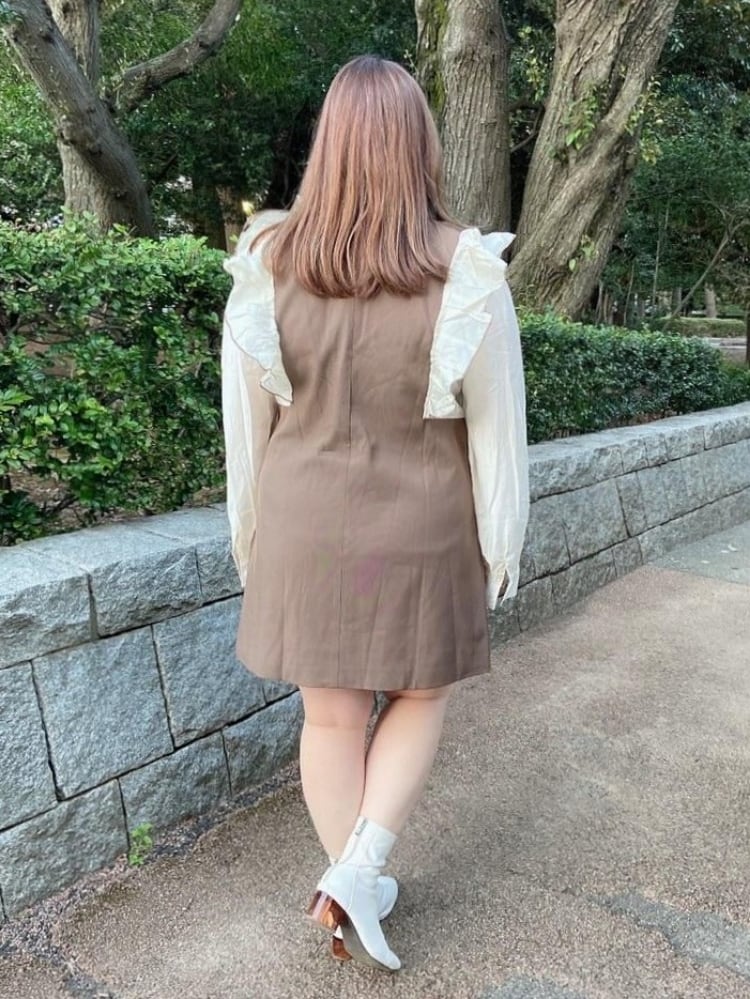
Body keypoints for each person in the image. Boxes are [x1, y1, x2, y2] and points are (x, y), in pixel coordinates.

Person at [220, 54, 530, 973]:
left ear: (331, 145)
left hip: (302, 519)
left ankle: (353, 877)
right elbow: (497, 427)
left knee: (329, 715)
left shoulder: (267, 264)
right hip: (421, 521)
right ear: (419, 146)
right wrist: (502, 542)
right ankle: (360, 870)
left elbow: (245, 428)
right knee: (421, 692)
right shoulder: (465, 268)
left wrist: (249, 536)